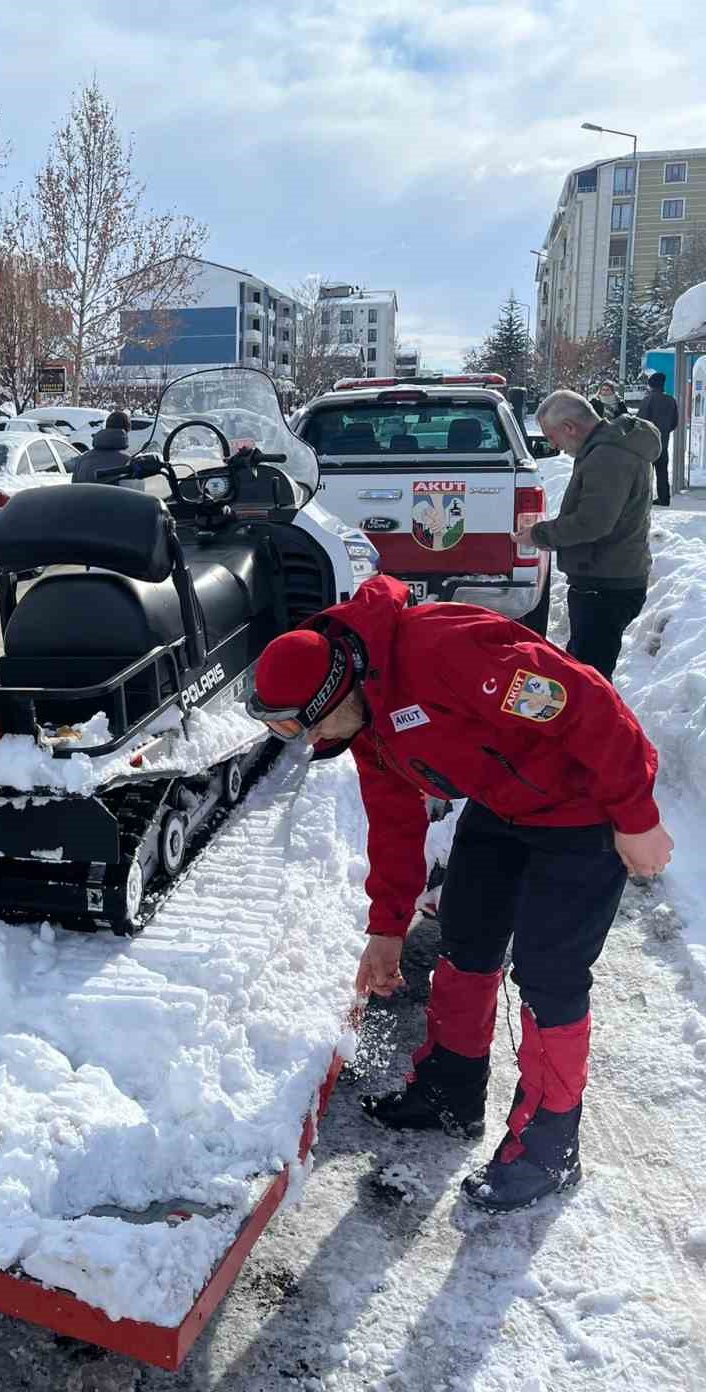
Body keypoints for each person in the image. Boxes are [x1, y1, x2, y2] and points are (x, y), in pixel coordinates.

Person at [246, 574, 671, 1213]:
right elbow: (393, 820)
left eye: (302, 725)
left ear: (336, 690)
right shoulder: (363, 721)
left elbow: (587, 703)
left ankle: (550, 1147)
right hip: (504, 803)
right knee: (466, 934)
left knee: (549, 971)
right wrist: (386, 927)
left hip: (581, 805)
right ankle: (452, 1088)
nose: (305, 741)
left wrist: (635, 818)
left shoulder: (445, 652)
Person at [513, 389, 659, 683]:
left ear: (569, 428)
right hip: (607, 578)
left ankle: (598, 729)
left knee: (590, 681)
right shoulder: (608, 447)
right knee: (584, 671)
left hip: (605, 584)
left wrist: (539, 535)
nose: (554, 446)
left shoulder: (607, 456)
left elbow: (592, 523)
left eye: (552, 437)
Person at [636, 371, 679, 506]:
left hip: (647, 442)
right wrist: (664, 431)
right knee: (662, 471)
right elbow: (674, 422)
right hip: (663, 441)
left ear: (651, 385)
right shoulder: (671, 400)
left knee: (646, 471)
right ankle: (664, 498)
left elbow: (640, 421)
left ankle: (645, 499)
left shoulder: (647, 400)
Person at [71, 409, 139, 486]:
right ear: (126, 432)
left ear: (106, 427)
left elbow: (74, 491)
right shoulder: (129, 463)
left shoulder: (82, 460)